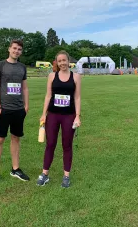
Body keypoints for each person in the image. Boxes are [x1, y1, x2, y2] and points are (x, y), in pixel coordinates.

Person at [37, 50, 81, 188]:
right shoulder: (51, 76)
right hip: (53, 115)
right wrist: (44, 114)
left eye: (64, 60)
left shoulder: (76, 77)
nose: (62, 63)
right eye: (60, 61)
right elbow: (48, 95)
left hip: (69, 115)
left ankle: (66, 176)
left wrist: (77, 116)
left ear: (69, 61)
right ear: (57, 62)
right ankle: (44, 174)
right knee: (50, 144)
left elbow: (77, 97)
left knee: (67, 145)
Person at [0, 39, 30, 186]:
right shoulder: (1, 65)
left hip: (19, 109)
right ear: (9, 49)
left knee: (16, 139)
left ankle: (15, 168)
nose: (16, 51)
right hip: (4, 109)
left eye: (19, 49)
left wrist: (26, 105)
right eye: (14, 48)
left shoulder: (22, 67)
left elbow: (24, 88)